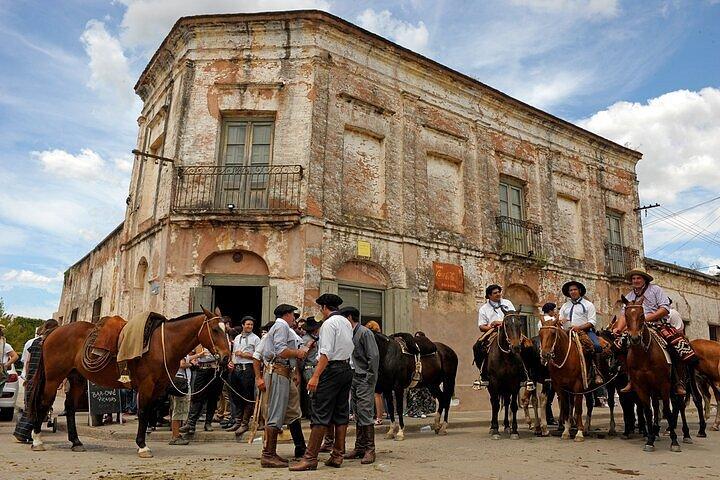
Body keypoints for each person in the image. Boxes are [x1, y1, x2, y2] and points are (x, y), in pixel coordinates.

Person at [291, 293, 354, 471]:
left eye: (321, 308)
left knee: (320, 412)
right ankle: (337, 455)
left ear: (325, 307)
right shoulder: (346, 323)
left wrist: (315, 376)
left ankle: (310, 458)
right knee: (341, 413)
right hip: (346, 369)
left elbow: (325, 353)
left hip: (331, 370)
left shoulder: (328, 324)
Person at [613, 268, 697, 395]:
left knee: (678, 345)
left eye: (638, 278)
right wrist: (618, 328)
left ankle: (678, 381)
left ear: (644, 279)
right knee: (617, 347)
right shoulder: (629, 296)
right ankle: (631, 379)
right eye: (633, 279)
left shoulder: (655, 290)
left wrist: (645, 319)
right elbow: (624, 316)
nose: (635, 281)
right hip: (637, 327)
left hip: (658, 324)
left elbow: (664, 309)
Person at [258, 304, 309, 468]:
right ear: (287, 314)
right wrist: (298, 353)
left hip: (282, 372)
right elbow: (281, 350)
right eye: (292, 315)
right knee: (275, 412)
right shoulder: (281, 326)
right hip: (277, 371)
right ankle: (268, 454)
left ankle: (271, 453)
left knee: (280, 412)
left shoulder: (281, 327)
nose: (294, 318)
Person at [474, 285, 533, 390]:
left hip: (510, 331)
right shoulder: (484, 308)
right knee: (477, 346)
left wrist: (501, 323)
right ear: (489, 296)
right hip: (493, 331)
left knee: (528, 346)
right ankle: (483, 375)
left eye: (499, 292)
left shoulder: (507, 303)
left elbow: (513, 317)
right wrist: (492, 325)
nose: (498, 294)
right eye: (495, 293)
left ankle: (526, 375)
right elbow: (481, 326)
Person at [340, 306, 379, 464]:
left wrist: (370, 377)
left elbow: (374, 356)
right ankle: (360, 447)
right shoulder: (350, 333)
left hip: (363, 377)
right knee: (357, 411)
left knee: (365, 411)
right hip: (354, 377)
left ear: (349, 317)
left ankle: (370, 449)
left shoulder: (365, 332)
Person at [14, 319, 58, 443]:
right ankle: (24, 433)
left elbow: (27, 361)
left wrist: (28, 377)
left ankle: (21, 432)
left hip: (31, 377)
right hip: (41, 378)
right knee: (36, 406)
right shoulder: (50, 343)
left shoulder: (34, 342)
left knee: (30, 406)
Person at [558, 281, 604, 385]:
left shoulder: (588, 305)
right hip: (567, 332)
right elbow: (560, 318)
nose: (573, 292)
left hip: (585, 331)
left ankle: (597, 371)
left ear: (579, 291)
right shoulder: (565, 306)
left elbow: (592, 322)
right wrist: (561, 321)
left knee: (596, 346)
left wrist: (579, 327)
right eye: (571, 290)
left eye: (575, 289)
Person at [179, 343, 224, 434]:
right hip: (201, 369)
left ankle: (208, 422)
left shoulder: (218, 340)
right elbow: (192, 353)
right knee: (198, 396)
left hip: (214, 369)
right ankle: (191, 424)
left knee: (213, 397)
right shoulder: (199, 341)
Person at [226, 316, 259, 435]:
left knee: (247, 396)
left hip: (248, 369)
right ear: (243, 325)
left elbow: (258, 355)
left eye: (251, 325)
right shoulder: (237, 337)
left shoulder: (256, 339)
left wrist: (245, 355)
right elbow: (234, 353)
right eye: (248, 324)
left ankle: (245, 423)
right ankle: (237, 421)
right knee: (236, 396)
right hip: (236, 368)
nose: (249, 326)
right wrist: (231, 362)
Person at [364, 320, 385, 425]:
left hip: (374, 368)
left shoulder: (371, 338)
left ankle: (378, 416)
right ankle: (380, 416)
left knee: (376, 394)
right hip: (381, 368)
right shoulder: (383, 338)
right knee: (378, 394)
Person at [300, 316, 321, 419]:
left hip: (316, 367)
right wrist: (308, 347)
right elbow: (302, 355)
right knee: (312, 392)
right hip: (309, 367)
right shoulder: (305, 340)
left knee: (317, 392)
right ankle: (312, 414)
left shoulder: (317, 338)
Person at [169, 353, 192, 445]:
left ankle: (176, 434)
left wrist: (198, 355)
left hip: (180, 382)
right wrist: (191, 364)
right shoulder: (179, 353)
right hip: (181, 384)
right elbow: (181, 364)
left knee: (179, 410)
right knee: (178, 410)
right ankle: (175, 436)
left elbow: (187, 358)